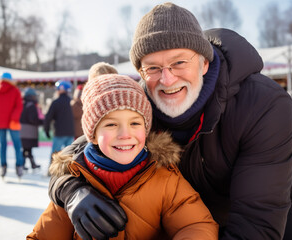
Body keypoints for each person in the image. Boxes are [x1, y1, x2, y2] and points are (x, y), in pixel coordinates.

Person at [47, 3, 292, 240]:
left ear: (204, 63)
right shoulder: (140, 103)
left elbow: (256, 222)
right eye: (153, 68)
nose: (166, 79)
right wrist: (70, 190)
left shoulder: (263, 105)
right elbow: (76, 153)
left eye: (179, 63)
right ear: (141, 73)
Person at [27, 74, 218, 240]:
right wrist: (71, 199)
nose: (125, 134)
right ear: (92, 134)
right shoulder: (75, 181)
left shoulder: (165, 178)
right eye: (111, 125)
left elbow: (196, 225)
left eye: (135, 123)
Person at [44, 80, 74, 173]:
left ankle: (51, 172)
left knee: (55, 154)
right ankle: (69, 172)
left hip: (59, 133)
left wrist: (47, 130)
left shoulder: (56, 102)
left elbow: (48, 117)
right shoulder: (72, 102)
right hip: (70, 132)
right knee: (69, 154)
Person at [20, 87, 43, 170]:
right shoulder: (31, 105)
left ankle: (28, 164)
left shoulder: (22, 104)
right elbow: (32, 119)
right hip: (29, 131)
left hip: (22, 130)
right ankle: (22, 164)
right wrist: (42, 121)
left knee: (27, 148)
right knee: (27, 149)